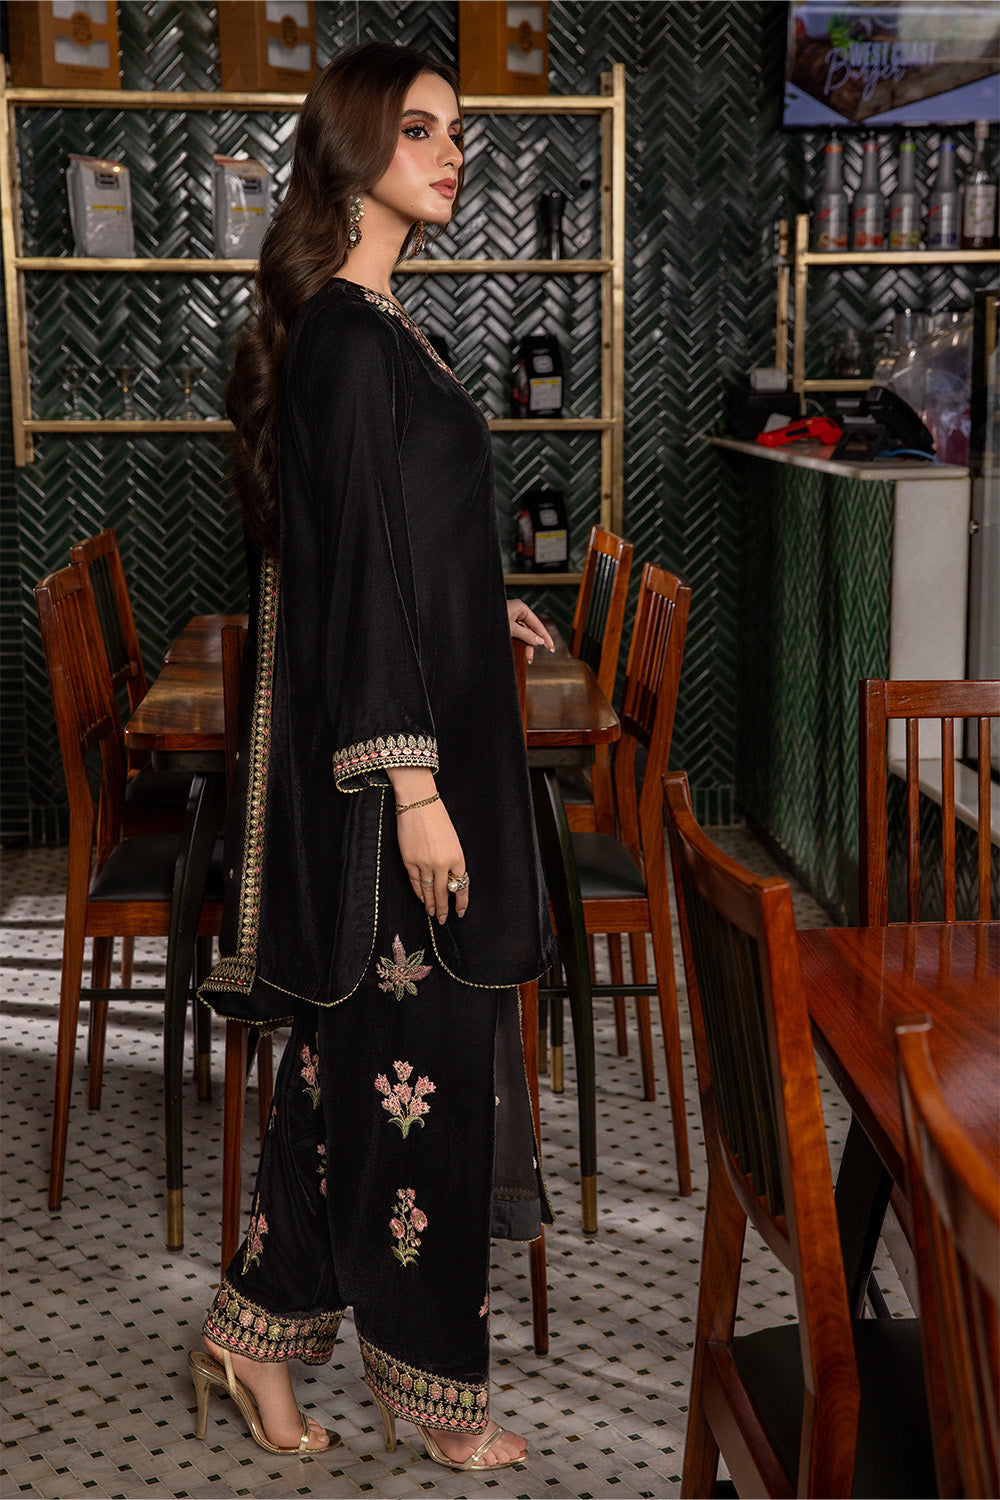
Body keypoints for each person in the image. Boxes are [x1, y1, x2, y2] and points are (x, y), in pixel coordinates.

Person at [189, 39, 558, 1473]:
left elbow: (392, 541)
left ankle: (254, 1339)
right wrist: (415, 792)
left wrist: (479, 600)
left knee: (346, 1077)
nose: (452, 152)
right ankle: (426, 1384)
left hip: (417, 751)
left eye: (456, 131)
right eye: (420, 129)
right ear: (353, 153)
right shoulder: (348, 339)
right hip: (392, 784)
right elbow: (348, 589)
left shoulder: (387, 326)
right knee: (418, 1082)